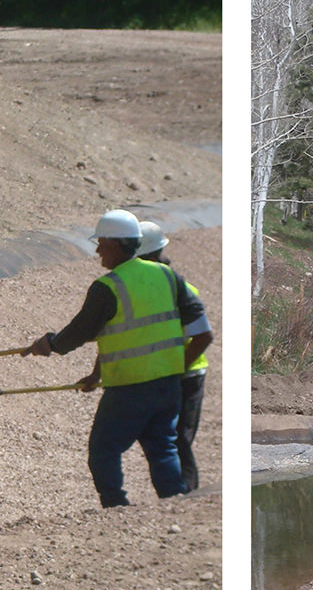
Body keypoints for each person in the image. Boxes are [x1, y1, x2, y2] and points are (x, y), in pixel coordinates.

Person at [25, 209, 204, 507]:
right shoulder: (168, 276)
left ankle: (115, 507)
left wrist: (49, 344)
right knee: (163, 448)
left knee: (103, 450)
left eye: (102, 243)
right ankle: (175, 503)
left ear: (118, 245)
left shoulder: (108, 287)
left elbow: (80, 332)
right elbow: (196, 327)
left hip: (129, 388)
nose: (97, 250)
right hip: (168, 386)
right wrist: (97, 373)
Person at [135, 219, 214, 491]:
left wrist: (177, 368)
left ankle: (187, 497)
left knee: (179, 439)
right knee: (162, 439)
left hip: (186, 374)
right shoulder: (143, 289)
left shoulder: (181, 290)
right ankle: (174, 496)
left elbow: (202, 338)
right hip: (163, 374)